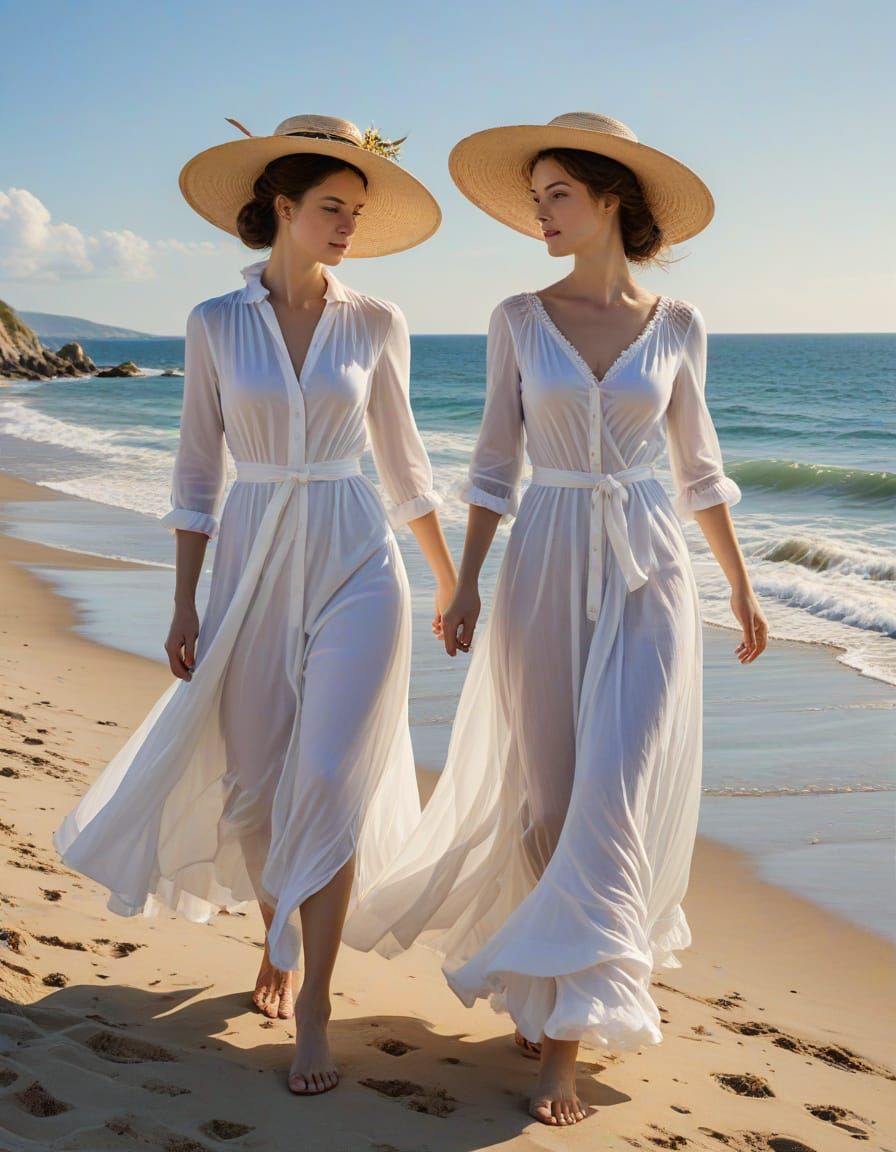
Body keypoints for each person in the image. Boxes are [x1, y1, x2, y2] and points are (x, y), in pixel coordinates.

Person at [344, 112, 768, 1126]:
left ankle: (563, 1049)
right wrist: (464, 578)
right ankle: (549, 976)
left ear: (609, 200)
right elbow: (492, 467)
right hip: (540, 560)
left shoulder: (676, 325)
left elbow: (698, 472)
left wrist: (741, 588)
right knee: (545, 803)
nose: (539, 215)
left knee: (611, 798)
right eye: (533, 200)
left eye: (556, 196)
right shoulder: (515, 319)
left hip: (647, 575)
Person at [54, 113, 455, 1096]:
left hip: (358, 559)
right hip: (246, 563)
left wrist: (451, 578)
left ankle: (314, 1000)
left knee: (328, 777)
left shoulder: (376, 322)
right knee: (250, 795)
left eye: (355, 213)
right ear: (281, 207)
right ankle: (275, 931)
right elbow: (194, 473)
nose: (346, 227)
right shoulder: (211, 324)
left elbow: (404, 466)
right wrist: (184, 602)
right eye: (330, 208)